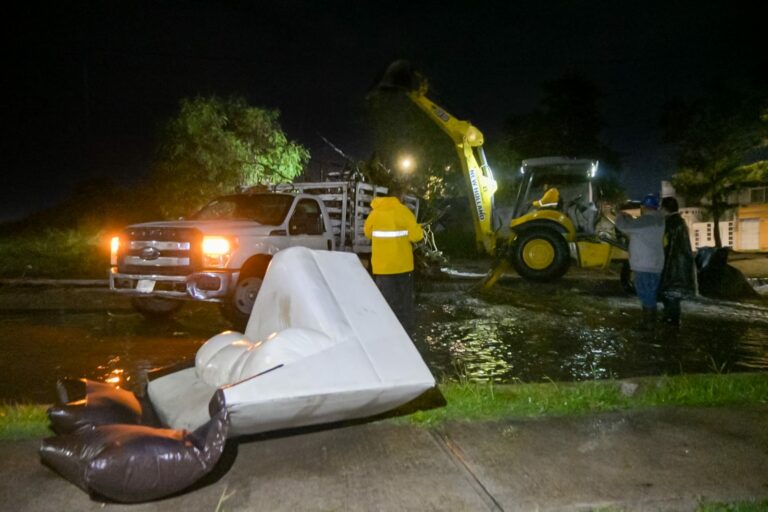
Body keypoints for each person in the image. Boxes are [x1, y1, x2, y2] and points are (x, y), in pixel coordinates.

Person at [364, 184, 423, 334]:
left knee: (386, 302)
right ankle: (406, 334)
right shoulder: (404, 212)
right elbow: (416, 236)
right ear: (400, 197)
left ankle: (387, 332)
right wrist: (419, 229)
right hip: (403, 267)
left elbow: (367, 233)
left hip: (382, 268)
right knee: (404, 303)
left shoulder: (375, 213)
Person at [615, 193, 666, 329]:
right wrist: (629, 217)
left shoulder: (647, 220)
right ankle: (649, 322)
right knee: (649, 293)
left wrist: (619, 215)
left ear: (644, 207)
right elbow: (636, 226)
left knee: (646, 293)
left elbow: (624, 226)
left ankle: (648, 324)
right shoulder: (657, 219)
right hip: (653, 263)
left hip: (645, 264)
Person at [659, 197, 697, 327]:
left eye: (661, 208)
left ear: (664, 209)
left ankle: (671, 321)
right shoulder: (679, 222)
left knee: (671, 294)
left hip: (673, 265)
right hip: (680, 264)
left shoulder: (670, 223)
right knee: (673, 295)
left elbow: (665, 245)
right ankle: (672, 320)